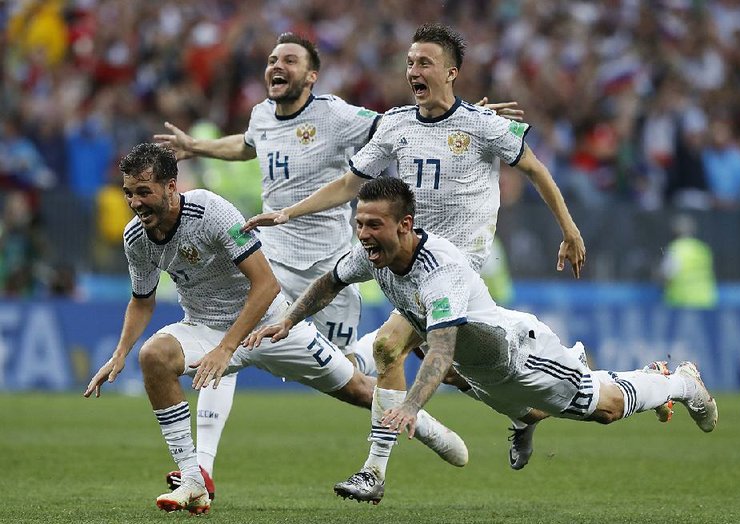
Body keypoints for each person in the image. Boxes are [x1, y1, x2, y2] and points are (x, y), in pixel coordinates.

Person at [153, 31, 526, 492]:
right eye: (272, 58)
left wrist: (469, 118)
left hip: (328, 269)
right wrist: (199, 147)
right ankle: (201, 469)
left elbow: (405, 124)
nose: (276, 65)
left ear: (311, 75)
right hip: (273, 259)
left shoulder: (337, 114)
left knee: (359, 376)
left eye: (289, 59)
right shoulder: (261, 115)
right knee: (232, 344)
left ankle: (451, 415)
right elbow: (250, 145)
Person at [243, 23, 587, 474]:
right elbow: (351, 183)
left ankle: (373, 470)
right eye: (409, 62)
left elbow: (537, 170)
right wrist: (289, 213)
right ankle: (525, 414)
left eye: (424, 62)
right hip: (410, 257)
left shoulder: (482, 125)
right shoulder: (396, 124)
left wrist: (569, 228)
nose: (413, 70)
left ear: (451, 72)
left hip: (457, 262)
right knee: (456, 366)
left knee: (389, 346)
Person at [245, 177, 719, 504]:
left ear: (405, 226)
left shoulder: (442, 274)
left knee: (606, 409)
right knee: (453, 371)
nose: (364, 235)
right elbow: (331, 280)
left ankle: (678, 382)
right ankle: (524, 420)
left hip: (521, 354)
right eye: (360, 224)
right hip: (480, 368)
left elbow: (442, 348)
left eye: (374, 225)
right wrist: (288, 320)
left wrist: (410, 406)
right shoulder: (373, 254)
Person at [83, 143, 468, 514]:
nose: (135, 203)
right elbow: (142, 300)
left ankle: (425, 424)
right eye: (129, 193)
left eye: (143, 192)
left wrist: (227, 348)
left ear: (171, 186)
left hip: (270, 325)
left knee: (355, 388)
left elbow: (266, 285)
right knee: (155, 356)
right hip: (204, 328)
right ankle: (193, 481)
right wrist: (120, 354)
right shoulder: (136, 237)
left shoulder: (211, 211)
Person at [660, 214, 718, 309]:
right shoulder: (703, 248)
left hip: (682, 302)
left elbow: (667, 276)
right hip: (706, 301)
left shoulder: (675, 248)